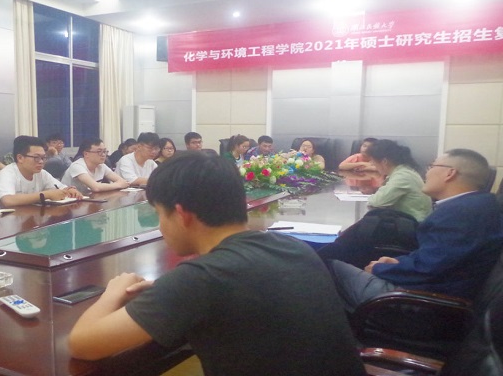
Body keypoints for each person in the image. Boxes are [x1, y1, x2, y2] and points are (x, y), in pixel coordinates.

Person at [68, 152, 366, 375]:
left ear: (181, 215)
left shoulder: (199, 280)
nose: (160, 225)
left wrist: (114, 291)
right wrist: (166, 290)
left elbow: (82, 344)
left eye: (159, 214)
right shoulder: (293, 248)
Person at [328, 148, 503, 312]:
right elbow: (437, 257)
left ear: (450, 173)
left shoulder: (462, 213)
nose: (427, 173)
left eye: (432, 166)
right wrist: (398, 263)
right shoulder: (478, 205)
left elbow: (427, 270)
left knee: (326, 266)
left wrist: (380, 269)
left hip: (423, 304)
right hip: (433, 292)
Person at [0, 135, 82, 208]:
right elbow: (7, 201)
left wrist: (70, 190)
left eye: (43, 158)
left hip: (29, 217)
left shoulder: (41, 173)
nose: (41, 162)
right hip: (5, 221)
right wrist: (45, 195)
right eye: (36, 157)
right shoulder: (7, 174)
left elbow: (61, 188)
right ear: (20, 158)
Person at [366, 139, 432, 222]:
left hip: (414, 225)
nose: (371, 163)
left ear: (384, 161)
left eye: (373, 160)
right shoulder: (403, 171)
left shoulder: (402, 177)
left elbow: (377, 202)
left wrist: (371, 198)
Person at [61, 138, 129, 195]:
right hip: (69, 202)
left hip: (90, 200)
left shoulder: (102, 166)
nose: (103, 155)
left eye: (104, 151)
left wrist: (120, 183)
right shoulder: (77, 166)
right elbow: (96, 187)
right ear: (86, 154)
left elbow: (122, 181)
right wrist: (118, 185)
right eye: (99, 151)